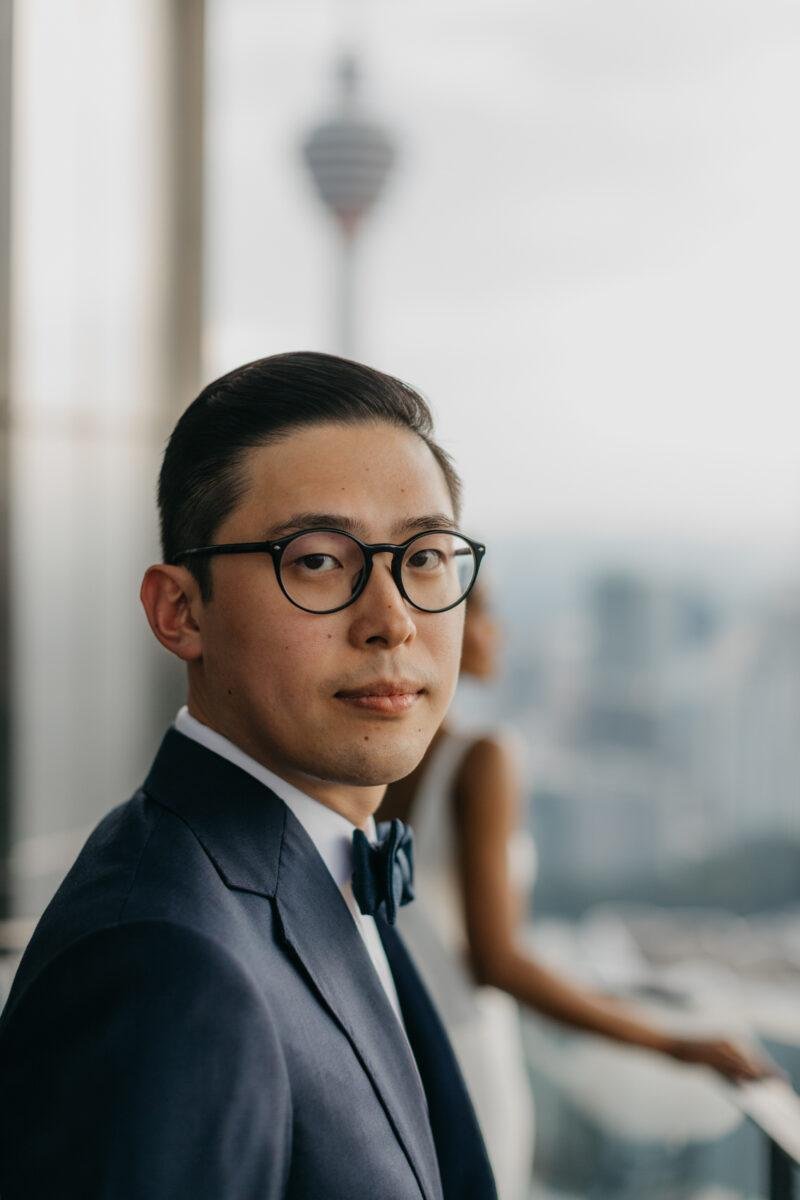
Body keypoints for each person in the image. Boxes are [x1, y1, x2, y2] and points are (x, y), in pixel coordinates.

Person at [0, 352, 499, 1200]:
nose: (391, 622)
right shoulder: (166, 963)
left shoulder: (316, 865)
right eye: (316, 560)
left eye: (423, 556)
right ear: (180, 611)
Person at [379, 579, 771, 1200]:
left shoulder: (376, 761)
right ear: (440, 627)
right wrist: (672, 1041)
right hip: (462, 1056)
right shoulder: (482, 758)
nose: (497, 633)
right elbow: (499, 960)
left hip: (388, 1054)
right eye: (485, 614)